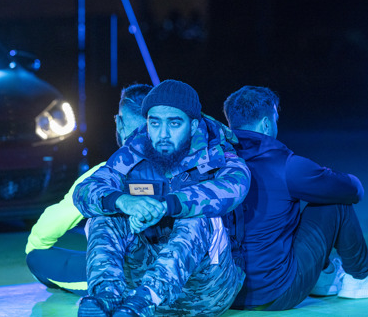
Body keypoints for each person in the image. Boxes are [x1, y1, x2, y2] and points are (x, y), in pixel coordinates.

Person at [73, 79, 251, 317]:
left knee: (199, 216)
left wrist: (165, 205)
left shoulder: (218, 155)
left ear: (193, 124)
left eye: (174, 123)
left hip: (206, 290)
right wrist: (124, 203)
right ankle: (106, 296)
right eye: (154, 123)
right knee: (104, 216)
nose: (163, 134)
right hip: (137, 282)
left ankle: (146, 300)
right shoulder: (133, 151)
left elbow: (232, 188)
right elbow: (84, 191)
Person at [222, 85, 368, 311]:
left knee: (279, 212)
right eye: (275, 119)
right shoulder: (286, 166)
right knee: (335, 202)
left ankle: (324, 275)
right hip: (276, 293)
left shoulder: (216, 164)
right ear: (267, 124)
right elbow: (353, 190)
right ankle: (361, 279)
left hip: (227, 292)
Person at [25, 83, 153, 296]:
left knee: (37, 258)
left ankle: (113, 289)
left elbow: (48, 229)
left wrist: (34, 246)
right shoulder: (190, 165)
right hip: (189, 271)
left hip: (129, 274)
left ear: (120, 123)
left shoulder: (103, 174)